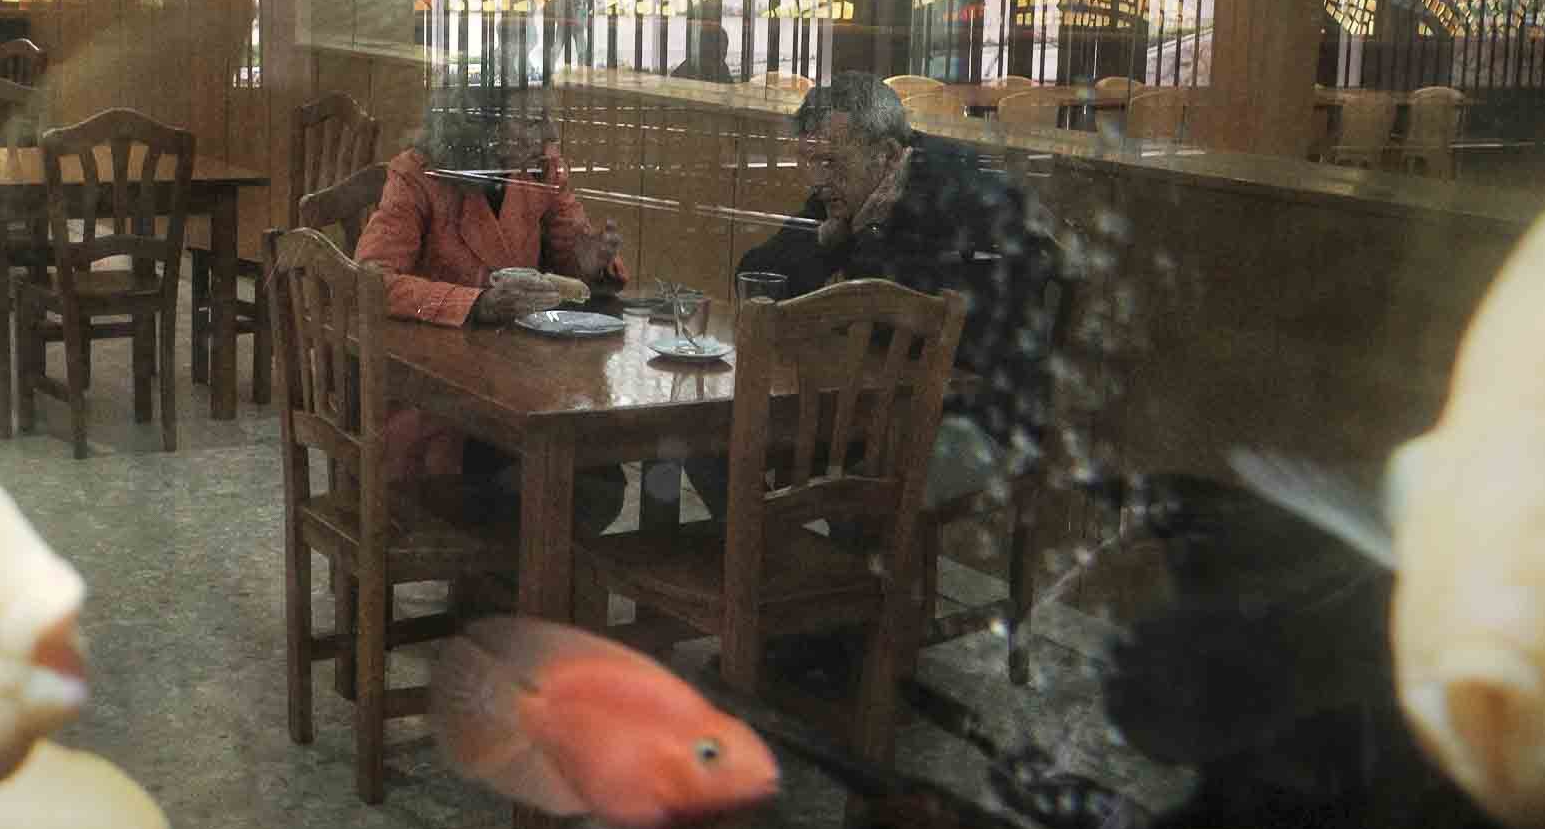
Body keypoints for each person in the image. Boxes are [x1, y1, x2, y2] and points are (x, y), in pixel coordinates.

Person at [675, 73, 1056, 523]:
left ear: (888, 154)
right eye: (810, 161)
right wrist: (829, 241)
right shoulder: (856, 184)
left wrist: (863, 239)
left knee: (860, 489)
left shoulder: (956, 194)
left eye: (831, 162)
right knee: (705, 441)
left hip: (974, 419)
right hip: (875, 405)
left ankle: (805, 560)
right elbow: (756, 276)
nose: (819, 180)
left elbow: (900, 321)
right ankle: (768, 556)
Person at [354, 85, 632, 532]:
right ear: (482, 128)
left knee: (593, 477)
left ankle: (526, 567)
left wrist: (589, 261)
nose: (551, 133)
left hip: (523, 382)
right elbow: (372, 279)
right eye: (534, 121)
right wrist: (477, 304)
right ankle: (513, 566)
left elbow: (571, 249)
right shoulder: (418, 175)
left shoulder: (541, 168)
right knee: (559, 483)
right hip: (438, 394)